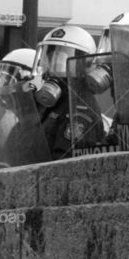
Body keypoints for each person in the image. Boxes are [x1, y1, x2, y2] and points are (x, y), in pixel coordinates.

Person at [31, 25, 97, 159]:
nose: (51, 70)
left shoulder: (78, 110)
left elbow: (62, 163)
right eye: (50, 61)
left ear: (83, 66)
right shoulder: (54, 104)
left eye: (61, 62)